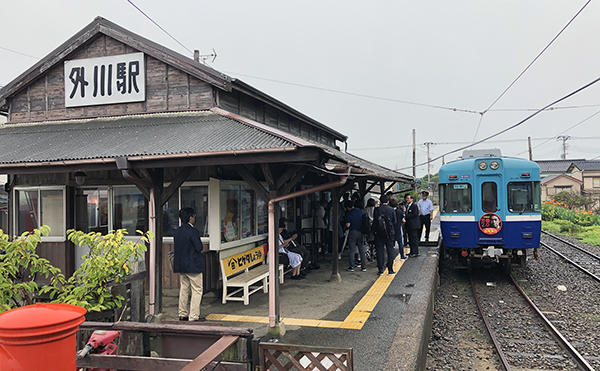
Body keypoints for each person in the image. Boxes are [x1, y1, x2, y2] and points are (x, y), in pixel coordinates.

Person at [174, 207, 206, 321]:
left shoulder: (177, 231)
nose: (194, 218)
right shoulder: (193, 231)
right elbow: (199, 247)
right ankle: (193, 316)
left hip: (181, 266)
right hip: (193, 266)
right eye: (193, 216)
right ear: (190, 218)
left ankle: (182, 314)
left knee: (184, 289)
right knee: (197, 290)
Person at [372, 195, 397, 275]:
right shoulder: (391, 210)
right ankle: (390, 269)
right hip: (389, 233)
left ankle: (380, 270)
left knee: (380, 251)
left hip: (379, 233)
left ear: (380, 201)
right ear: (388, 201)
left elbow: (375, 221)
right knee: (390, 250)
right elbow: (394, 221)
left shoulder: (377, 210)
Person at [344, 200, 366, 272]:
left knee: (352, 250)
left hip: (353, 232)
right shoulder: (361, 211)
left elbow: (348, 225)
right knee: (361, 250)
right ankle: (363, 267)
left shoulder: (349, 213)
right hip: (361, 232)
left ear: (348, 207)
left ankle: (352, 266)